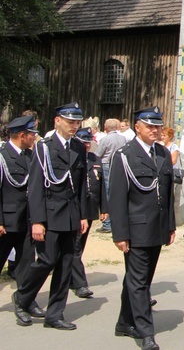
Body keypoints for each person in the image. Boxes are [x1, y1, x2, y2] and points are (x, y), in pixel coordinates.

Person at [14, 103, 88, 330]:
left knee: (66, 265)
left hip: (71, 215)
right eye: (70, 122)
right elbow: (35, 187)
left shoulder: (77, 147)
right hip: (50, 214)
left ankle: (55, 314)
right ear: (58, 121)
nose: (74, 126)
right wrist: (37, 220)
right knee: (46, 260)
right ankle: (23, 298)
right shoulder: (44, 147)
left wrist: (83, 215)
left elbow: (82, 185)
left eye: (77, 123)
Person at [109, 107, 175, 350]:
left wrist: (169, 226)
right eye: (150, 126)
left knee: (141, 279)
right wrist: (120, 234)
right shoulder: (125, 155)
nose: (155, 131)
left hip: (156, 229)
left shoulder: (162, 153)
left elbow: (166, 194)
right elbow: (117, 199)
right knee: (139, 282)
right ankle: (146, 332)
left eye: (158, 126)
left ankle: (124, 321)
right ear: (137, 127)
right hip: (135, 229)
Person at [0, 116, 40, 291]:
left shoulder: (31, 156)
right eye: (32, 134)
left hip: (27, 220)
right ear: (22, 135)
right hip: (6, 222)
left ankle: (25, 302)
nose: (35, 138)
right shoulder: (2, 157)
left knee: (26, 264)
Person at [69, 127, 107, 299]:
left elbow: (102, 185)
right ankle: (79, 284)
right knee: (75, 247)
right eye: (83, 142)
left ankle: (70, 276)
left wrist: (104, 208)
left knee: (79, 246)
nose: (86, 145)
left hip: (90, 208)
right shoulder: (71, 157)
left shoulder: (94, 159)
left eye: (88, 142)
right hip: (75, 208)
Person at [95, 118, 127, 233]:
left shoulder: (105, 139)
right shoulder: (123, 138)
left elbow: (98, 154)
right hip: (120, 166)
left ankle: (107, 223)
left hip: (107, 165)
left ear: (106, 127)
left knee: (107, 193)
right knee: (119, 192)